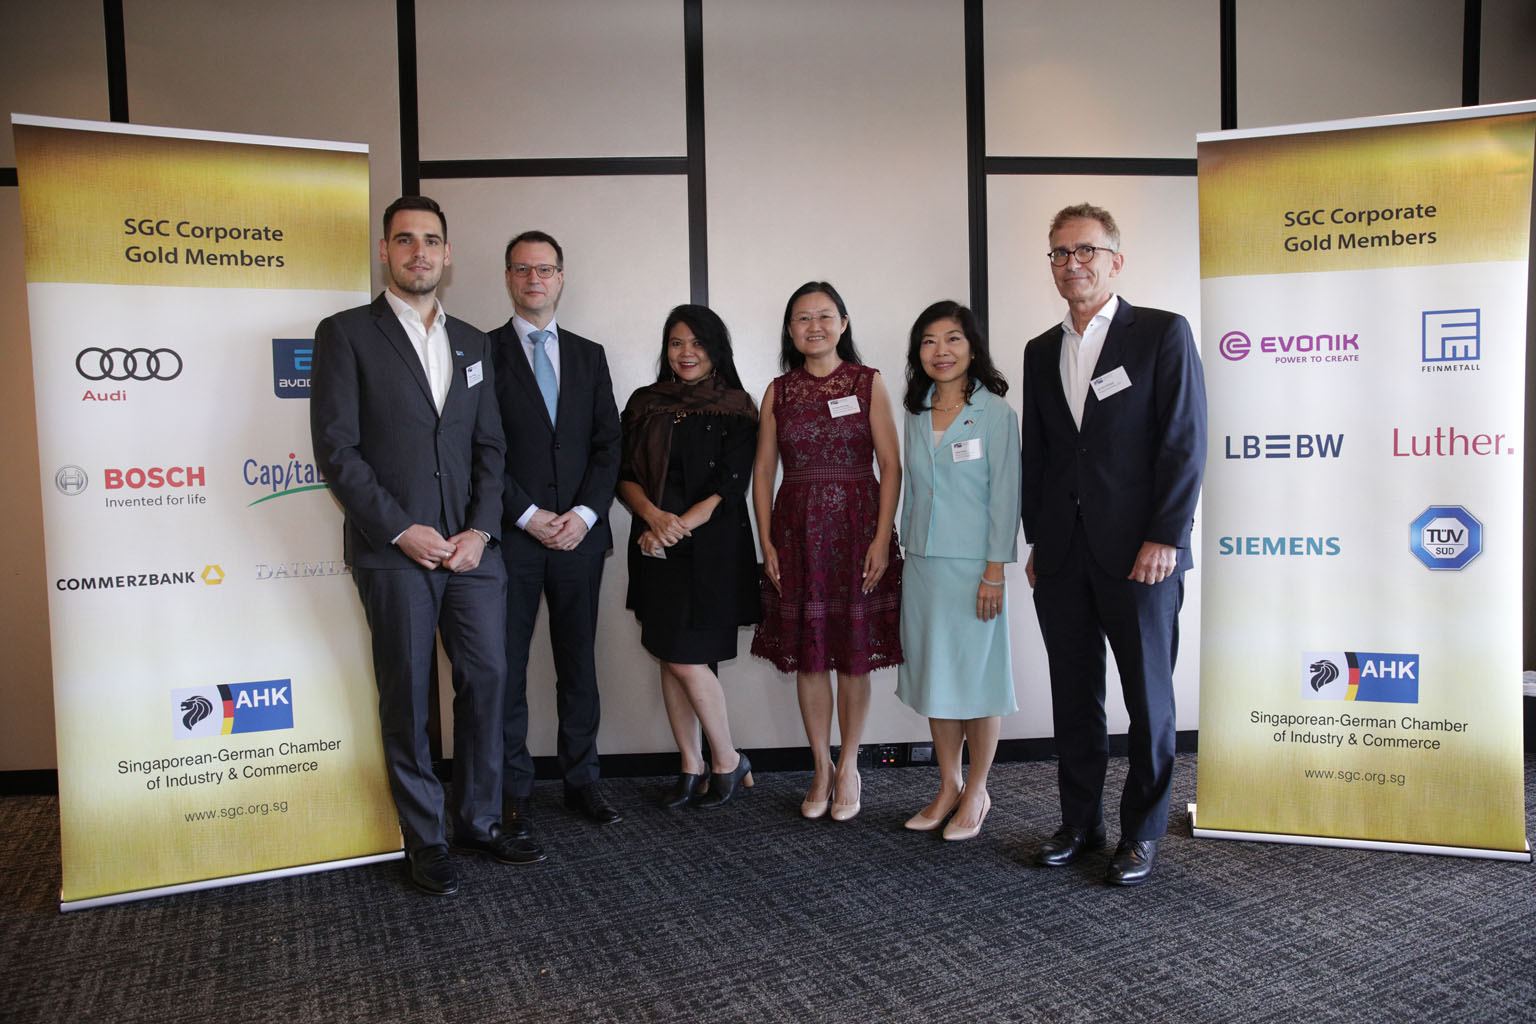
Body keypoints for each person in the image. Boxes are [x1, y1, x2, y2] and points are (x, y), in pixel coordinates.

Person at [310, 195, 542, 897]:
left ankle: (479, 816)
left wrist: (479, 530)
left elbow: (491, 446)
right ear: (385, 251)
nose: (420, 252)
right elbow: (337, 450)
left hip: (473, 552)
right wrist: (400, 528)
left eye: (432, 240)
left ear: (448, 253)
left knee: (489, 681)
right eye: (405, 240)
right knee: (408, 694)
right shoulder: (346, 333)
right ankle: (425, 833)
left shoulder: (473, 341)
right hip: (396, 550)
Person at [1019, 203, 1207, 886]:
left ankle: (1141, 833)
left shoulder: (1160, 333)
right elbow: (1038, 454)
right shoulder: (1042, 350)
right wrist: (1036, 539)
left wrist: (1166, 535)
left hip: (1141, 554)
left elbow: (1184, 443)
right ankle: (1080, 822)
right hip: (1063, 554)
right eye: (1060, 253)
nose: (1073, 263)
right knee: (1074, 696)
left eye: (1086, 251)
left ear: (1115, 260)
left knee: (1149, 699)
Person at [750, 281, 903, 821]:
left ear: (843, 322)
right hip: (796, 535)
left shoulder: (868, 383)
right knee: (810, 657)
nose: (813, 326)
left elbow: (891, 465)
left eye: (824, 316)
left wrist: (883, 538)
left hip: (857, 531)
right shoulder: (779, 391)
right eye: (801, 318)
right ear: (790, 330)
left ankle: (851, 765)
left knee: (852, 657)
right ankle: (820, 765)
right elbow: (764, 471)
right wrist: (765, 538)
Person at [489, 230, 623, 833]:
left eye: (545, 270)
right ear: (509, 278)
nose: (534, 279)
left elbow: (607, 445)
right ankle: (513, 787)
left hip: (580, 537)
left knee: (578, 663)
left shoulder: (591, 355)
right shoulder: (480, 351)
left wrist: (585, 515)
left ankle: (581, 780)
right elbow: (480, 449)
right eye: (522, 270)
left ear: (561, 278)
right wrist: (526, 514)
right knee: (507, 666)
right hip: (512, 536)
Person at [617, 305, 762, 810]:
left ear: (715, 348)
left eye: (697, 343)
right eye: (677, 342)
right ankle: (690, 763)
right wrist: (654, 518)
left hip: (713, 549)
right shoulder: (645, 403)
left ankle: (727, 759)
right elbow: (624, 472)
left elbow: (731, 482)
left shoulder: (737, 406)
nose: (686, 353)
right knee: (668, 652)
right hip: (655, 543)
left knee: (685, 656)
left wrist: (676, 527)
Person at [896, 301, 1020, 842]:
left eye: (952, 339)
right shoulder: (916, 410)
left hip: (975, 567)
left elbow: (1006, 499)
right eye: (928, 341)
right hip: (922, 563)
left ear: (972, 346)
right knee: (936, 676)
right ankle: (947, 784)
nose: (940, 351)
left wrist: (995, 570)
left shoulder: (996, 414)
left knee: (978, 680)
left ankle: (977, 789)